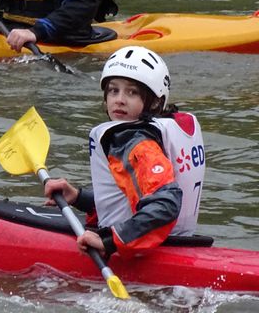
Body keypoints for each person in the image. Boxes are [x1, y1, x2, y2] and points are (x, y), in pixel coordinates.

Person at [44, 46, 206, 258]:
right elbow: (132, 200)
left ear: (155, 101)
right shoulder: (165, 128)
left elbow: (165, 205)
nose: (119, 99)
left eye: (132, 92)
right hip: (180, 244)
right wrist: (78, 198)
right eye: (113, 90)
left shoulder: (134, 141)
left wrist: (108, 242)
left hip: (147, 253)